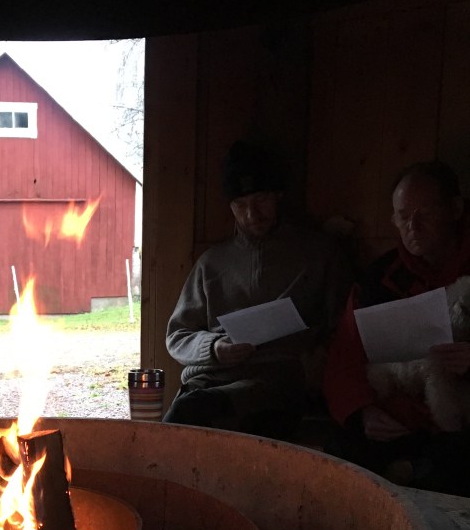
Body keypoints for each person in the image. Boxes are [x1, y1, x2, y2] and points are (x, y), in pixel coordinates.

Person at [163, 140, 352, 437]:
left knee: (193, 411)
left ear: (278, 195)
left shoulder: (318, 255)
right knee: (187, 409)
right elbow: (178, 335)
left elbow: (343, 327)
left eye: (261, 200)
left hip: (278, 380)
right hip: (211, 377)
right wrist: (214, 348)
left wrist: (314, 364)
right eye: (240, 204)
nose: (252, 214)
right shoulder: (211, 264)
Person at [324, 160, 470, 494]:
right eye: (403, 217)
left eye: (425, 214)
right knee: (339, 453)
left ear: (455, 209)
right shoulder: (379, 278)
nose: (413, 227)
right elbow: (344, 358)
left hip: (457, 423)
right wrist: (362, 410)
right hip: (397, 418)